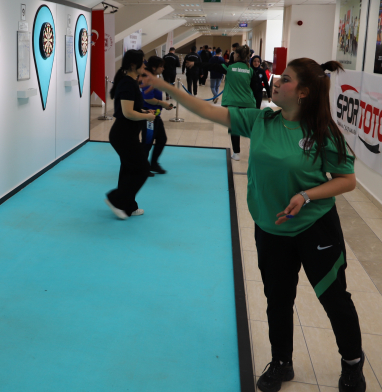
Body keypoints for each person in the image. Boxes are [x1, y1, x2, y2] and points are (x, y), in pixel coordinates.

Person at [139, 58, 365, 392]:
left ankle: (352, 365)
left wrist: (306, 195)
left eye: (285, 79)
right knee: (278, 299)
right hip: (271, 229)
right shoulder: (262, 120)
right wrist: (163, 86)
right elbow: (208, 110)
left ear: (303, 92)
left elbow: (347, 180)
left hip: (316, 228)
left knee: (334, 299)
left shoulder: (324, 133)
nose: (276, 82)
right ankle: (282, 362)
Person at [105, 50, 156, 220]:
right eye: (143, 62)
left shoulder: (131, 82)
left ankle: (129, 206)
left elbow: (132, 108)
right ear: (133, 65)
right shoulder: (127, 83)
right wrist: (147, 117)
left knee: (129, 169)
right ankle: (116, 199)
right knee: (142, 169)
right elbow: (127, 113)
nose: (145, 65)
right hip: (123, 135)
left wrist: (143, 111)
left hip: (127, 134)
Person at [213, 46, 254, 161]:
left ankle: (237, 153)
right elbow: (255, 88)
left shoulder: (230, 67)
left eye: (235, 53)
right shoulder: (250, 70)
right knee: (251, 129)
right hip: (248, 103)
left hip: (233, 103)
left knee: (235, 128)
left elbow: (213, 67)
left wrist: (195, 64)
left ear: (237, 55)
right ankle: (256, 152)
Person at [142, 56, 174, 174]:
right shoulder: (148, 80)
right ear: (154, 67)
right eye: (161, 66)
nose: (163, 68)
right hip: (149, 115)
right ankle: (142, 167)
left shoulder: (154, 78)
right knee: (147, 142)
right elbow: (148, 99)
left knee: (161, 139)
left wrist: (163, 105)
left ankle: (153, 164)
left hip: (156, 115)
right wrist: (163, 103)